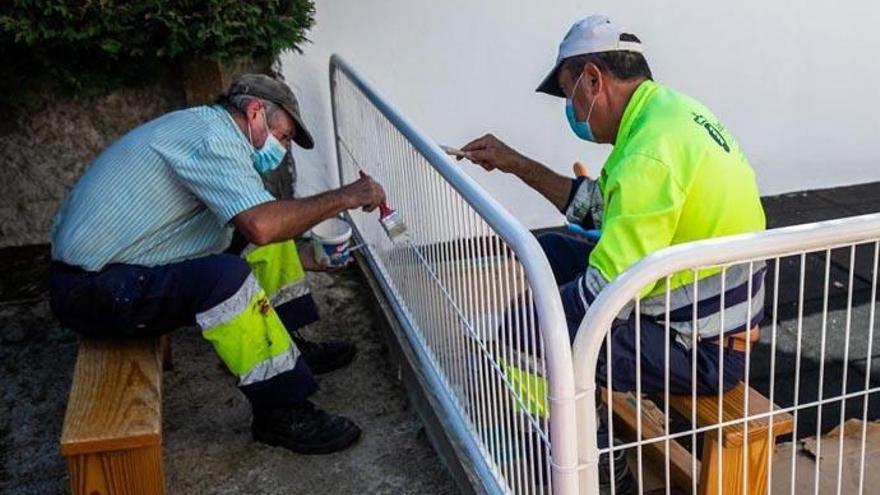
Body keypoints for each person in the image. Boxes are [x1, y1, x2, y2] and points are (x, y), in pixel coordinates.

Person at [459, 15, 766, 490]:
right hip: (709, 322)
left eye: (567, 93)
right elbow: (595, 209)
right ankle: (583, 426)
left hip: (702, 349)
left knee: (529, 332)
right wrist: (516, 164)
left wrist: (514, 326)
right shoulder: (665, 115)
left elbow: (603, 294)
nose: (569, 107)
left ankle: (586, 468)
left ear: (593, 80)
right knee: (554, 252)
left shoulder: (649, 152)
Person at [50, 74, 386, 455]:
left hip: (122, 267)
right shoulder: (212, 139)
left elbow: (260, 227)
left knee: (262, 227)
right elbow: (262, 225)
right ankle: (281, 410)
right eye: (285, 136)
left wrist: (309, 256)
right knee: (227, 275)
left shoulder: (206, 129)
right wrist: (345, 196)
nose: (284, 149)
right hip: (92, 289)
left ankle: (288, 344)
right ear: (256, 112)